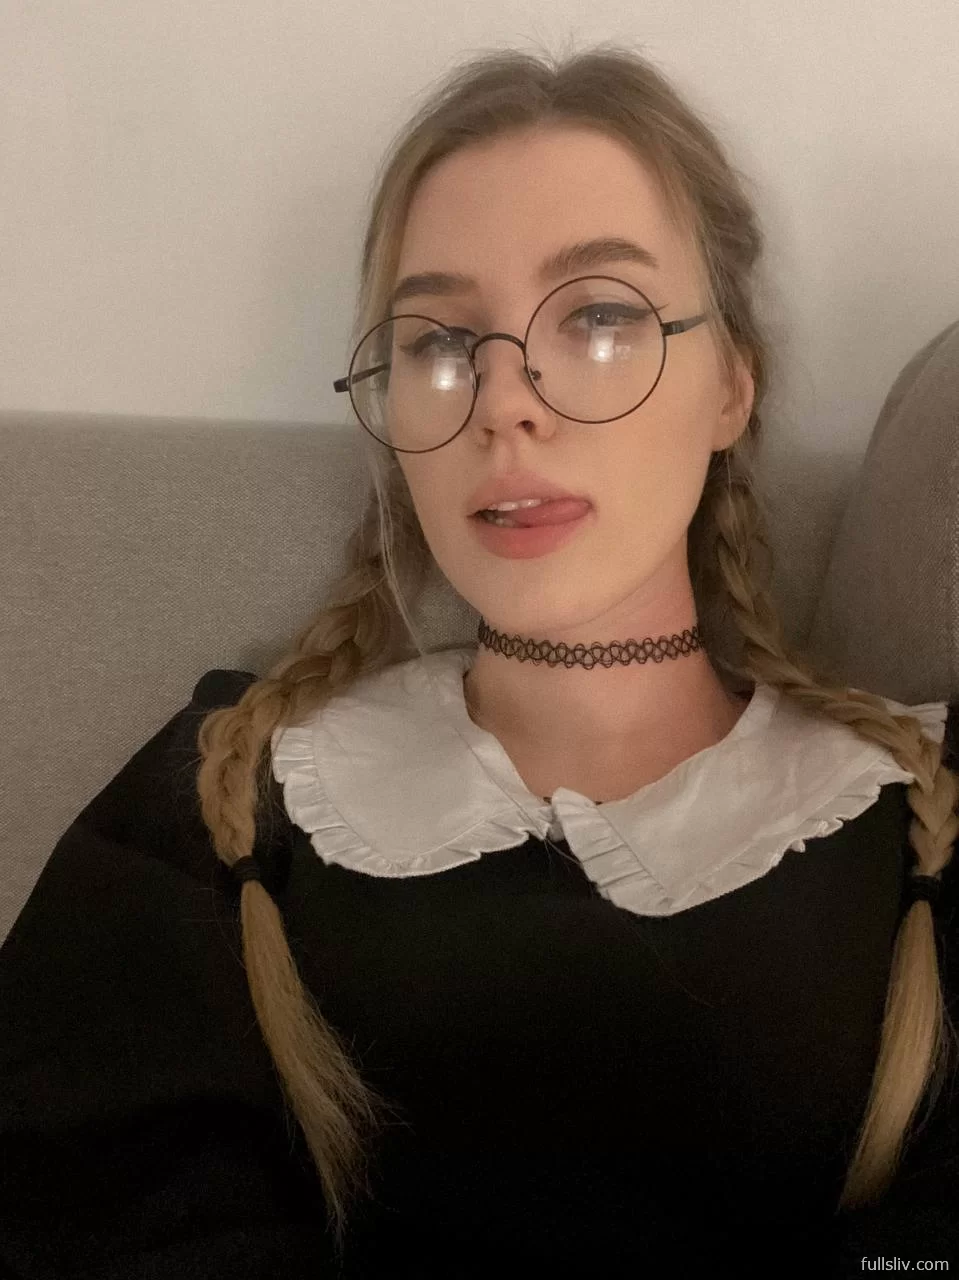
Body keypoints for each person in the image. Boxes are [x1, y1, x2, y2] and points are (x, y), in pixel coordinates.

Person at [2, 41, 958, 1280]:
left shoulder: (920, 818)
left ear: (731, 383)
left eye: (599, 317)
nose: (503, 401)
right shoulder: (227, 796)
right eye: (440, 342)